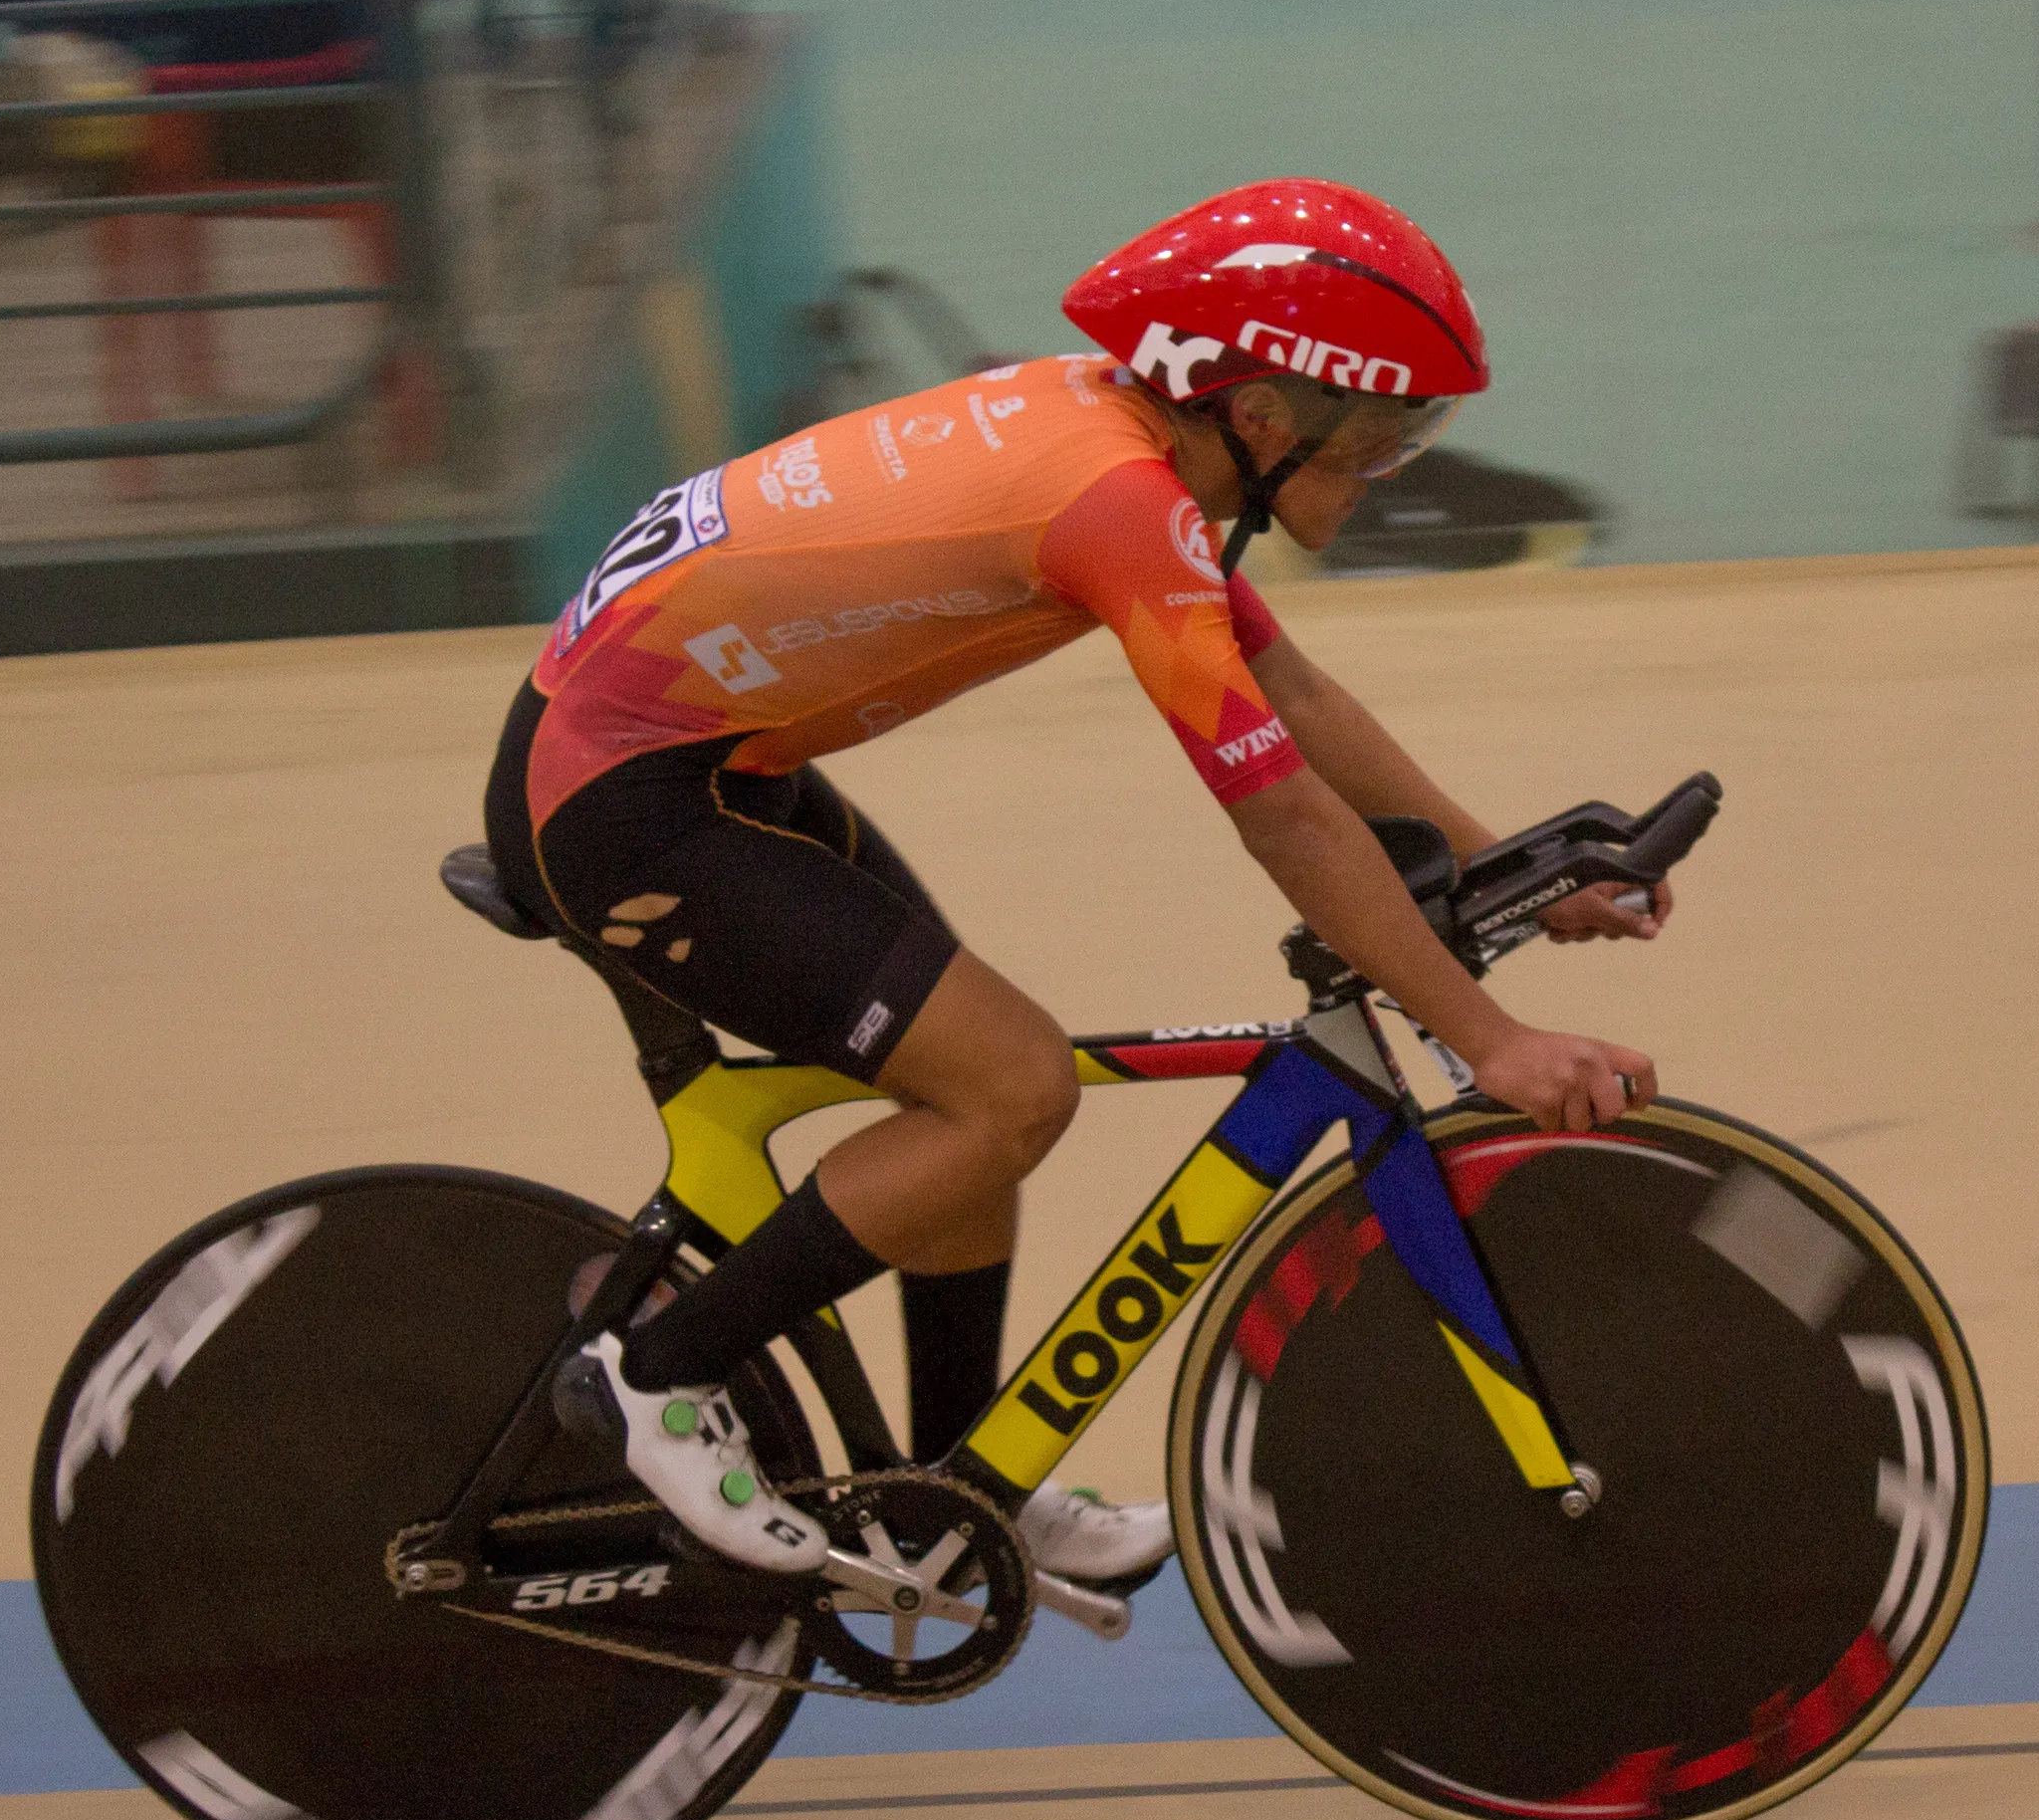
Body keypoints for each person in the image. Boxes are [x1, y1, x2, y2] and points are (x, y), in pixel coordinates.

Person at [482, 179, 1671, 1587]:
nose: (1392, 467)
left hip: (712, 766)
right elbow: (1286, 818)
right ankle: (656, 1375)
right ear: (1262, 415)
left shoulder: (1122, 437)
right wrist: (1492, 1042)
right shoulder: (1115, 504)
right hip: (622, 803)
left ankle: (951, 1488)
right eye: (1380, 437)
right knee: (1011, 1088)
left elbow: (1292, 690)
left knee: (969, 1097)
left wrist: (1497, 861)